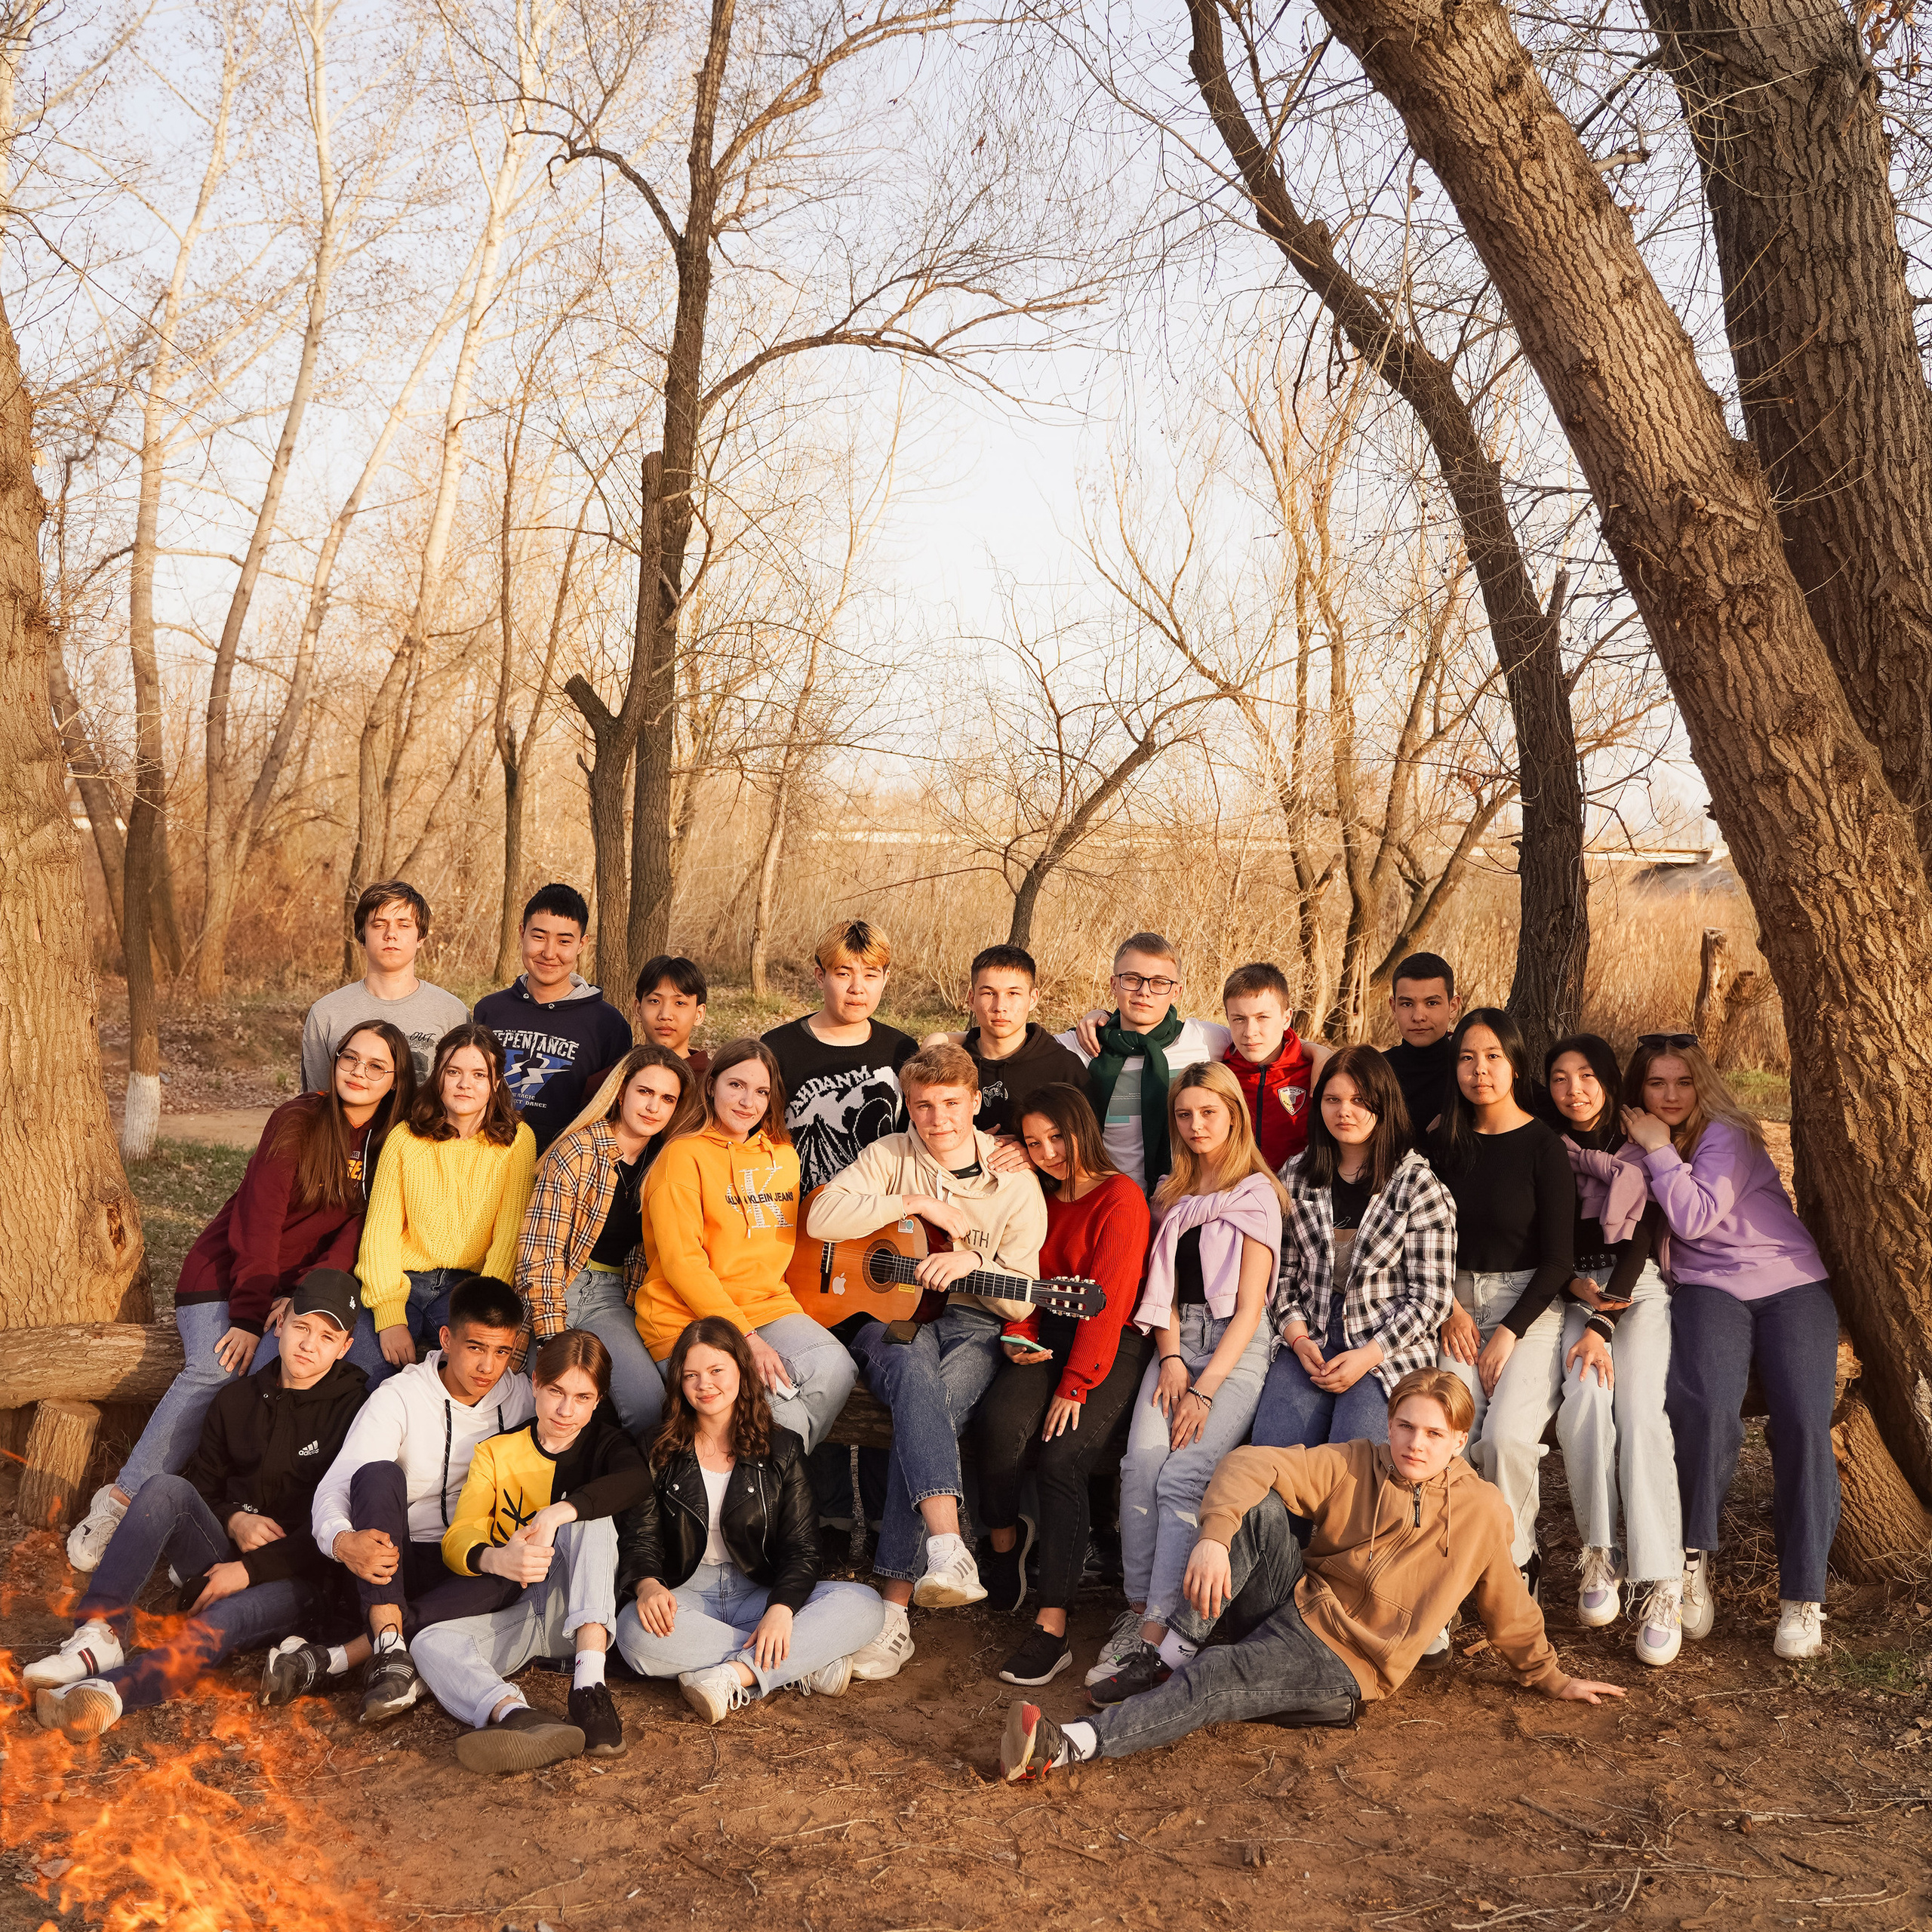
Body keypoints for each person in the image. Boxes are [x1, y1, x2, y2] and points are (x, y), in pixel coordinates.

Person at [995, 1367, 1626, 1780]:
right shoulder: (1359, 1460)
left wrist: (1550, 1676)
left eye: (1435, 1434)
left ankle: (1068, 1744)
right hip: (1298, 1601)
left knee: (1221, 1675)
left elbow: (1507, 1602)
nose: (1416, 1444)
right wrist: (1214, 1538)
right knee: (1259, 1505)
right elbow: (1251, 1462)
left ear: (1459, 1441)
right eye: (1406, 1426)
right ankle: (1173, 1653)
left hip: (1352, 1660)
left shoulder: (1483, 1510)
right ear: (1390, 1423)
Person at [65, 1021, 414, 1572]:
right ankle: (122, 1500)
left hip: (295, 1288)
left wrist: (304, 1299)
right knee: (218, 1366)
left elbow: (358, 1232)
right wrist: (251, 1317)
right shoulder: (298, 1119)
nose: (360, 1073)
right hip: (229, 1275)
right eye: (351, 1058)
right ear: (335, 1060)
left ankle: (266, 1519)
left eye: (377, 1066)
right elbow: (258, 1222)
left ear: (396, 1080)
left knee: (352, 1366)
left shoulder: (389, 1141)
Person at [27, 1271, 369, 1740]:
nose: (310, 1345)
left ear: (344, 1347)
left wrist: (250, 1571)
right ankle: (99, 1636)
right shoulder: (237, 1399)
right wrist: (233, 1519)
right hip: (224, 1551)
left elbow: (339, 1524)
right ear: (280, 1323)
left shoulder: (355, 1411)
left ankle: (111, 1694)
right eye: (301, 1327)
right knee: (165, 1487)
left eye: (327, 1337)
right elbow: (204, 1485)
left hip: (299, 1579)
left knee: (219, 1622)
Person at [805, 1043, 1049, 1681]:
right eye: (922, 1106)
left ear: (974, 1102)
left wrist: (976, 1264)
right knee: (916, 1377)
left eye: (949, 1104)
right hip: (889, 1320)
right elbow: (823, 1217)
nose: (937, 1118)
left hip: (973, 1323)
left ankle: (893, 1613)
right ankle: (946, 1549)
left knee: (928, 1402)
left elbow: (1022, 1289)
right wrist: (908, 1202)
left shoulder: (1016, 1184)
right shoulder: (890, 1155)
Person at [1622, 1033, 1839, 1662]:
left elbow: (1694, 1216)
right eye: (1656, 1083)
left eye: (1682, 1083)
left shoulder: (1729, 1134)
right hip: (1706, 1290)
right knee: (1706, 1407)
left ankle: (1803, 1593)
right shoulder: (1637, 1143)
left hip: (1791, 1284)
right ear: (1639, 1089)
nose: (1669, 1095)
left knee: (1802, 1420)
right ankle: (1693, 1560)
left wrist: (1660, 1152)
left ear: (1702, 1086)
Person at [1088, 1060, 1281, 1704]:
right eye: (1185, 1114)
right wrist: (1170, 1361)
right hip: (1178, 1341)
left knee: (1183, 1475)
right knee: (1141, 1462)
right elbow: (1160, 1293)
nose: (1197, 1126)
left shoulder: (1257, 1194)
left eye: (1210, 1113)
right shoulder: (1170, 1192)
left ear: (1234, 1116)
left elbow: (1252, 1308)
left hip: (1234, 1347)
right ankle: (1137, 1606)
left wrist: (1203, 1390)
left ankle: (1161, 1632)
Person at [272, 1273, 536, 1722]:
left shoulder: (522, 1398)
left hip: (468, 1568)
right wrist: (341, 1541)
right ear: (447, 1339)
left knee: (514, 1567)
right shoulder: (400, 1396)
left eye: (502, 1352)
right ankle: (392, 1643)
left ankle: (351, 1656)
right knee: (377, 1474)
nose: (488, 1368)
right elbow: (338, 1485)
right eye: (475, 1348)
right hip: (396, 1560)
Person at [614, 1317, 888, 1721]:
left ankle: (731, 1675)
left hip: (758, 1590)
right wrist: (649, 1585)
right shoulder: (656, 1449)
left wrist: (781, 1608)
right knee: (632, 1634)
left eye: (716, 1371)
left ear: (742, 1371)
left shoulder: (782, 1447)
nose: (704, 1384)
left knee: (865, 1604)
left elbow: (803, 1549)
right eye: (691, 1375)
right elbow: (640, 1539)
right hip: (686, 1594)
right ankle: (800, 1666)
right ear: (678, 1383)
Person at [974, 1083, 1152, 1687]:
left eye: (1057, 1137)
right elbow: (1024, 1272)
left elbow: (1110, 1302)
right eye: (1034, 1141)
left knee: (1062, 1458)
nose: (1048, 1151)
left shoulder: (1121, 1198)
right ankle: (1004, 1544)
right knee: (997, 1426)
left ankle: (1052, 1627)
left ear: (1083, 1130)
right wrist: (1020, 1333)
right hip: (1046, 1328)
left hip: (1110, 1340)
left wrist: (1075, 1385)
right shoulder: (1039, 1196)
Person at [411, 1331, 653, 1771]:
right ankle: (518, 1716)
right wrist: (495, 1557)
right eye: (557, 1392)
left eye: (582, 1398)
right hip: (525, 1615)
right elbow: (459, 1534)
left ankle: (589, 1691)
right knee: (430, 1641)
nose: (566, 1410)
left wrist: (557, 1513)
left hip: (585, 1615)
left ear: (597, 1402)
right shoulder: (496, 1453)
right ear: (536, 1382)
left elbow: (637, 1481)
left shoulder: (608, 1445)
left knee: (590, 1519)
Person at [761, 919, 916, 1543]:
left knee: (883, 1372)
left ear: (886, 979)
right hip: (799, 1244)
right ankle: (820, 1517)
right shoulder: (780, 1050)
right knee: (814, 1368)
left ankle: (880, 1520)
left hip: (883, 1244)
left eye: (871, 975)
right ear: (819, 974)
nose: (857, 988)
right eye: (844, 973)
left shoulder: (904, 1052)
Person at [635, 1040, 857, 1453]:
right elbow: (683, 1264)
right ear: (711, 1086)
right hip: (685, 1314)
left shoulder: (784, 1156)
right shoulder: (682, 1156)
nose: (748, 1102)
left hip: (767, 1305)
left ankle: (777, 1485)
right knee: (779, 1414)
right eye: (736, 1085)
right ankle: (778, 1501)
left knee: (837, 1369)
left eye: (761, 1091)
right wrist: (748, 1338)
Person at [1543, 1035, 1684, 1668]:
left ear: (1607, 1081)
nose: (1574, 1090)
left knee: (1641, 1417)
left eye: (1587, 1076)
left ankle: (1663, 1580)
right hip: (1575, 1291)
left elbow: (1643, 1238)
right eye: (1560, 1078)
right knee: (1584, 1400)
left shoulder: (1639, 1146)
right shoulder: (1547, 1147)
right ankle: (1601, 1551)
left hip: (1638, 1291)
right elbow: (1546, 1239)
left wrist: (1606, 1319)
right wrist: (1582, 1299)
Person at [1431, 1008, 1577, 1605]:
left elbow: (1559, 1259)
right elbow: (1420, 1236)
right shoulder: (1441, 1143)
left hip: (1529, 1308)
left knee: (1509, 1439)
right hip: (1453, 1306)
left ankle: (1516, 1562)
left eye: (1492, 1056)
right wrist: (1448, 1307)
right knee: (1450, 1437)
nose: (1480, 1070)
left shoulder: (1544, 1147)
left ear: (1515, 1064)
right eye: (1467, 1058)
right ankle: (1452, 1565)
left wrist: (1511, 1331)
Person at [1252, 1045, 1455, 1455]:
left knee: (1357, 1460)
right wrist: (1297, 1338)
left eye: (1360, 1101)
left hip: (1385, 1345)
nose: (1345, 1111)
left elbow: (1430, 1300)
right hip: (1310, 1335)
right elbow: (1283, 1275)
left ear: (1384, 1105)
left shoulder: (1416, 1185)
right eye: (1333, 1100)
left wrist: (1367, 1355)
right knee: (1275, 1455)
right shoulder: (1297, 1174)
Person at [515, 1044, 703, 1438]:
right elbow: (540, 1255)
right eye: (645, 1092)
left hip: (612, 1297)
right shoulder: (577, 1153)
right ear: (621, 1093)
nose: (654, 1107)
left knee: (649, 1405)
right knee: (541, 1401)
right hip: (556, 1288)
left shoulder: (663, 1163)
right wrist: (552, 1339)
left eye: (667, 1099)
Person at [354, 1023, 537, 1382]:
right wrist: (390, 1315)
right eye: (453, 1072)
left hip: (467, 1286)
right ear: (439, 1076)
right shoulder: (406, 1138)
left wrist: (485, 1306)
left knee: (464, 1378)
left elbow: (509, 1235)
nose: (464, 1084)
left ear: (496, 1083)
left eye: (478, 1074)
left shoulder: (517, 1140)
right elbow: (381, 1231)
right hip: (404, 1280)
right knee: (364, 1370)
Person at [1060, 932, 1233, 1192]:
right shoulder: (1081, 1045)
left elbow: (1272, 1047)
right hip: (1109, 1201)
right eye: (1132, 979)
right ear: (1114, 984)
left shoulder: (1205, 1040)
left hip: (1187, 1202)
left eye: (1159, 982)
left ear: (1176, 991)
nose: (1144, 992)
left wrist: (1317, 1053)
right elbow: (1008, 1047)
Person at [472, 884, 633, 1155]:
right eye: (539, 937)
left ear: (582, 944)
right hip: (485, 1160)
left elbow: (611, 1113)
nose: (549, 953)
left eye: (564, 941)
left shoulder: (608, 1025)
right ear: (522, 933)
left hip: (562, 1170)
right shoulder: (489, 1011)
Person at [300, 880, 468, 1089]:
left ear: (421, 937)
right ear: (362, 936)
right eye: (379, 924)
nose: (391, 934)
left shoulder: (451, 1013)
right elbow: (315, 1103)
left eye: (404, 925)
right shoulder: (326, 1014)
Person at [948, 945, 1087, 1140]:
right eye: (989, 993)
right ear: (971, 999)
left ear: (1033, 998)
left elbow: (1086, 1144)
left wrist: (1032, 1151)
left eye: (1013, 994)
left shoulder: (1064, 1067)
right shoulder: (951, 1064)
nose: (1000, 1007)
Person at [1220, 961, 1331, 1172]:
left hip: (1301, 1192)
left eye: (1262, 1018)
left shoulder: (1314, 1071)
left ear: (1286, 1018)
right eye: (1239, 1019)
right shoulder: (1221, 1074)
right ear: (1228, 1018)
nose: (1250, 1032)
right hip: (1239, 1194)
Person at [1383, 952, 1461, 1138]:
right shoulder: (1377, 1070)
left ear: (1453, 1006)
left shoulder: (1472, 1068)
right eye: (1407, 1004)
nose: (1418, 1016)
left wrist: (1467, 1120)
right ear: (1394, 1007)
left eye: (1431, 1003)